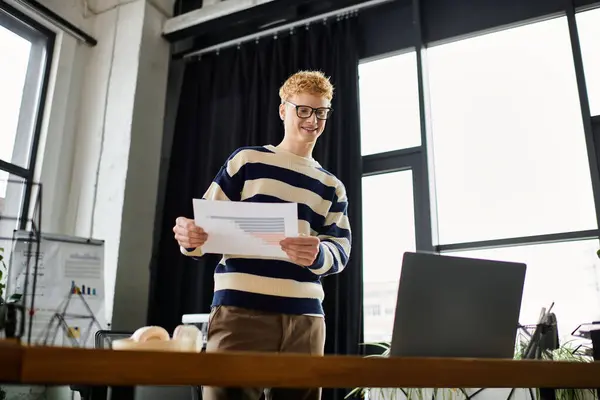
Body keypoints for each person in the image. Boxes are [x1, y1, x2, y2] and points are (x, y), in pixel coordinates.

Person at [172, 70, 351, 400]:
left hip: (306, 320)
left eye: (321, 112)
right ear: (283, 110)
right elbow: (203, 230)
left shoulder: (332, 186)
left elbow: (341, 249)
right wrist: (190, 239)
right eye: (304, 110)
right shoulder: (247, 161)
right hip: (240, 311)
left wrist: (319, 254)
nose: (313, 120)